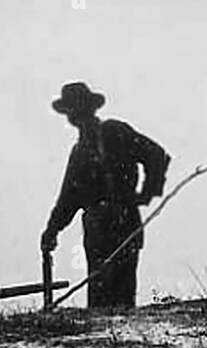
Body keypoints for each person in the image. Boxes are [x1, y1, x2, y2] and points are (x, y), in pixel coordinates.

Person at [41, 82, 171, 309]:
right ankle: (107, 340)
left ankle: (119, 340)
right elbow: (68, 200)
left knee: (121, 291)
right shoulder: (79, 151)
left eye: (76, 108)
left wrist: (147, 193)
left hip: (122, 220)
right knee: (100, 294)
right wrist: (52, 231)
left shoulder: (114, 131)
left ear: (86, 109)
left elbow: (157, 155)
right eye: (71, 109)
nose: (73, 114)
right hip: (99, 226)